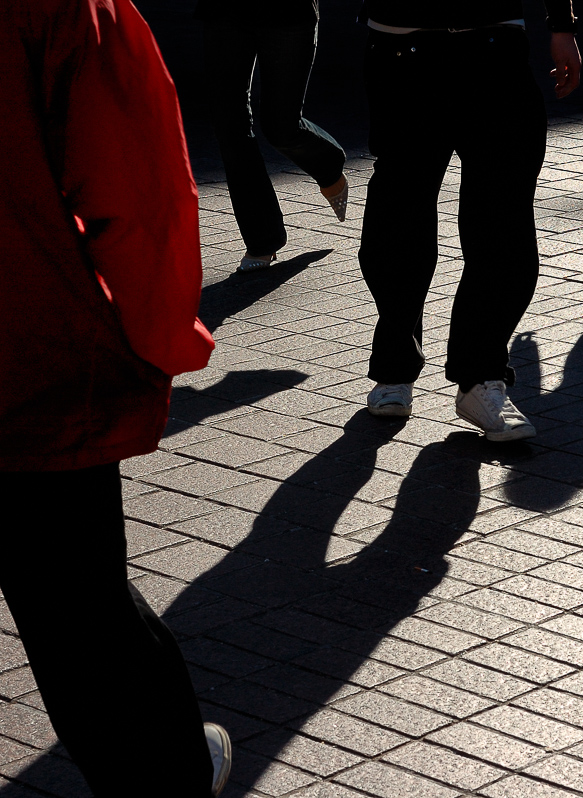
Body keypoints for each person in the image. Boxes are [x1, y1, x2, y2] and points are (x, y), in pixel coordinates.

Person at [0, 1, 231, 795]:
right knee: (79, 614)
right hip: (27, 358)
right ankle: (166, 774)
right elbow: (139, 191)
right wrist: (161, 339)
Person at [356, 0, 582, 440]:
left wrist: (561, 24)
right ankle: (395, 365)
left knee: (504, 223)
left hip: (494, 41)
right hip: (403, 48)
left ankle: (481, 376)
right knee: (398, 221)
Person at [197, 0, 349, 272]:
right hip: (223, 11)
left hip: (288, 11)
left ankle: (327, 164)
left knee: (282, 127)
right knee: (230, 126)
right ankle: (262, 240)